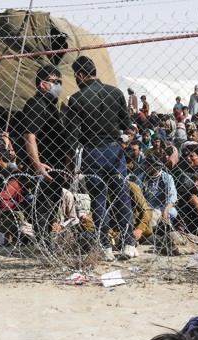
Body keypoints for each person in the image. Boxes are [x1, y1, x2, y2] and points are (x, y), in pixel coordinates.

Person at [66, 56, 136, 260]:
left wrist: (71, 161)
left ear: (80, 75)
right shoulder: (115, 93)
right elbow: (127, 124)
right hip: (114, 151)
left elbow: (73, 137)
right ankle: (129, 244)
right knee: (122, 196)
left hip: (91, 153)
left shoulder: (77, 99)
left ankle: (105, 247)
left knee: (99, 200)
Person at [21, 65, 68, 239]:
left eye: (59, 81)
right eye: (54, 81)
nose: (58, 85)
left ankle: (48, 240)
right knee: (44, 206)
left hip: (56, 165)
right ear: (42, 84)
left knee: (52, 205)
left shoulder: (50, 105)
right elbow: (29, 135)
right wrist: (37, 164)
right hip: (46, 166)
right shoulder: (37, 104)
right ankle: (43, 243)